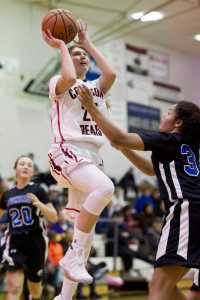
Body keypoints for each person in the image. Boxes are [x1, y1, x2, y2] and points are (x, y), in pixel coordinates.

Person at [77, 86, 200, 300]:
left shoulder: (169, 140)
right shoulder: (191, 147)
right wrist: (123, 148)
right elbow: (150, 169)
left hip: (186, 213)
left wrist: (92, 108)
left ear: (178, 123)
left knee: (158, 291)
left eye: (168, 112)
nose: (164, 115)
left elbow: (120, 137)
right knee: (167, 289)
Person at [42, 19, 116, 299]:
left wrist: (86, 42)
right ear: (67, 61)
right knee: (105, 188)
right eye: (77, 55)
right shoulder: (60, 82)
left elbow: (111, 73)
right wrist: (62, 45)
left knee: (82, 233)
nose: (81, 56)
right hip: (67, 150)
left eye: (83, 56)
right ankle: (72, 260)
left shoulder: (96, 88)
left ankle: (65, 296)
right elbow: (69, 77)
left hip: (92, 157)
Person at [0, 155, 58, 300]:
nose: (25, 166)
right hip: (15, 240)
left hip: (36, 241)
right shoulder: (7, 194)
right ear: (15, 169)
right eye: (22, 164)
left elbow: (53, 217)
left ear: (33, 172)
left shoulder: (38, 191)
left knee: (35, 289)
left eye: (29, 165)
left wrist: (40, 204)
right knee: (13, 287)